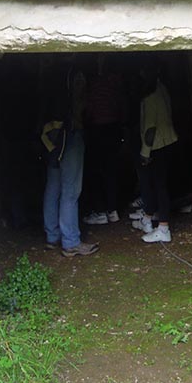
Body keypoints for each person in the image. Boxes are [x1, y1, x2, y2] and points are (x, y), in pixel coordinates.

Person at [41, 59, 99, 257]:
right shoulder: (75, 84)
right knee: (70, 191)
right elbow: (79, 110)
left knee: (53, 187)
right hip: (69, 135)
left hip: (50, 138)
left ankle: (52, 236)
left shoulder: (50, 76)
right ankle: (71, 241)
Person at [133, 61, 178, 243]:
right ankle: (154, 220)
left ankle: (164, 228)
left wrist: (145, 153)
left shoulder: (150, 95)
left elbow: (150, 129)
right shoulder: (162, 88)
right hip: (168, 141)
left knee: (159, 187)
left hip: (157, 145)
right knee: (161, 185)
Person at [82, 54, 127, 226]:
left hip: (98, 130)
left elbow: (89, 109)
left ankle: (100, 211)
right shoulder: (115, 83)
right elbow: (120, 104)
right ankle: (112, 210)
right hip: (113, 128)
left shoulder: (93, 84)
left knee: (96, 171)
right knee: (111, 170)